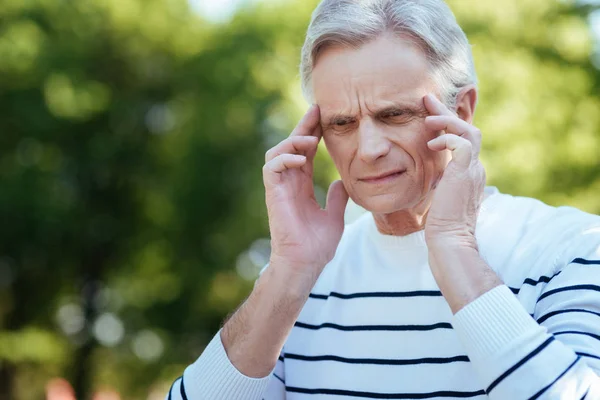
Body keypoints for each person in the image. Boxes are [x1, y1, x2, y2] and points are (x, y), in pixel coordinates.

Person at [167, 0, 600, 398]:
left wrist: (453, 248)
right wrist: (288, 272)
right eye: (341, 123)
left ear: (462, 113)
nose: (369, 147)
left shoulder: (570, 248)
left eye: (395, 114)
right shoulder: (297, 284)